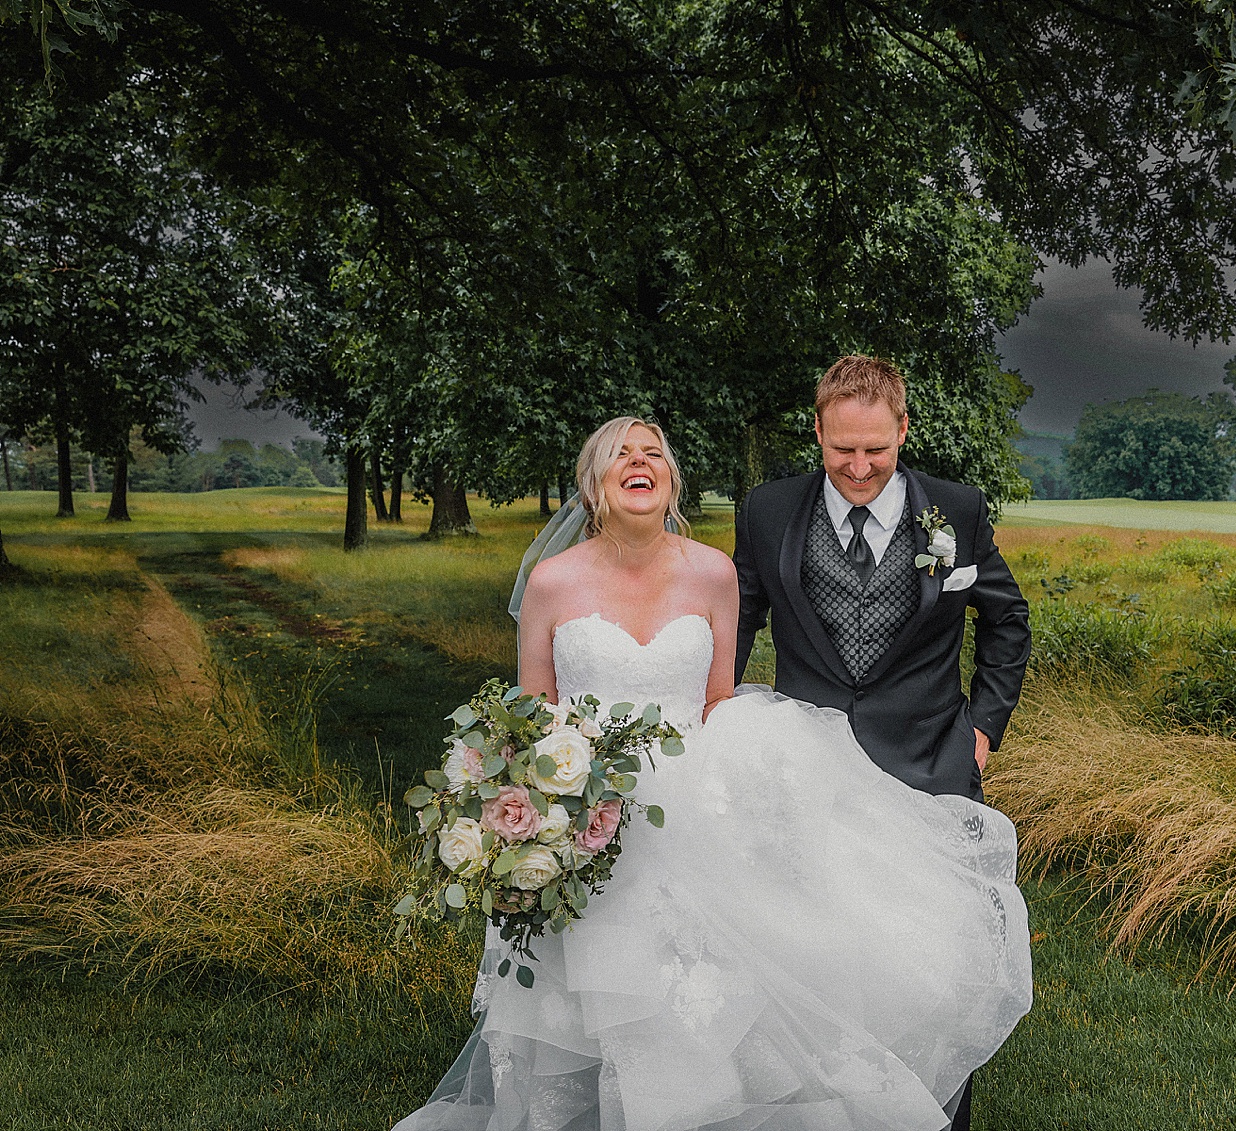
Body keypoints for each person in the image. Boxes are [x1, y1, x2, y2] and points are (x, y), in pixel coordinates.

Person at [395, 411, 1030, 1131]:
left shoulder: (713, 573)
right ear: (593, 482)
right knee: (590, 997)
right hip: (584, 810)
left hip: (692, 807)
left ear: (670, 480)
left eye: (654, 453)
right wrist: (540, 812)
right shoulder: (551, 581)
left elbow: (717, 700)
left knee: (705, 997)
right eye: (619, 455)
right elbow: (533, 713)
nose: (639, 462)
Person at [732, 355, 1032, 1129]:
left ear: (903, 429)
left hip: (931, 764)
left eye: (876, 448)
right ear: (819, 431)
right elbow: (738, 619)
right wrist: (715, 720)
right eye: (841, 449)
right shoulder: (767, 510)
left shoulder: (957, 511)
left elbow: (1007, 619)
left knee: (937, 972)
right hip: (808, 774)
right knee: (816, 965)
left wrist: (983, 732)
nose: (859, 467)